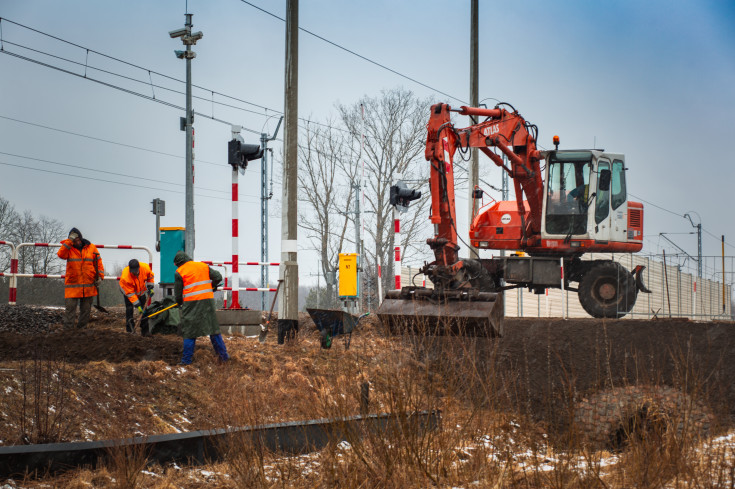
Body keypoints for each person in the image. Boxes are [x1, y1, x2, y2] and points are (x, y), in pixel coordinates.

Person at [173, 250, 229, 365]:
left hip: (191, 304)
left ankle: (186, 361)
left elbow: (178, 294)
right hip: (207, 302)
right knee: (213, 329)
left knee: (189, 332)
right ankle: (224, 357)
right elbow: (218, 277)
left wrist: (179, 303)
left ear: (179, 263)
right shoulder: (203, 266)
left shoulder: (179, 271)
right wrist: (212, 286)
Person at [57, 227, 104, 330]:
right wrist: (69, 241)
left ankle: (81, 331)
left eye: (78, 239)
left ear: (81, 238)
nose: (76, 242)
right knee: (70, 310)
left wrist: (100, 277)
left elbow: (98, 263)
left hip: (88, 285)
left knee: (86, 310)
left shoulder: (91, 248)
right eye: (74, 240)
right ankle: (68, 332)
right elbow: (61, 255)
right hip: (73, 285)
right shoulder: (68, 248)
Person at [119, 259, 155, 335]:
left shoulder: (145, 268)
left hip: (141, 291)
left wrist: (150, 287)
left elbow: (150, 276)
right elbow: (130, 293)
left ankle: (145, 331)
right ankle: (130, 330)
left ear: (139, 268)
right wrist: (138, 305)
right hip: (127, 292)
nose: (134, 272)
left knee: (145, 310)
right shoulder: (126, 277)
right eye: (133, 271)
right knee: (129, 309)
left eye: (136, 270)